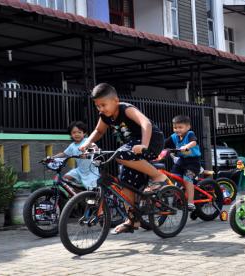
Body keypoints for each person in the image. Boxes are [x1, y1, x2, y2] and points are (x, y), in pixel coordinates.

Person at [79, 83, 166, 234]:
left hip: (151, 142)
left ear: (116, 101)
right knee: (124, 182)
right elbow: (98, 131)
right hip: (131, 149)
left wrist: (144, 145)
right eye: (97, 106)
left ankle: (159, 177)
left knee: (120, 154)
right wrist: (87, 143)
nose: (100, 109)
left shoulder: (126, 109)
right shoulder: (105, 117)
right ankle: (132, 221)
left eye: (103, 105)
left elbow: (146, 123)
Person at [164, 115, 201, 211]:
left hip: (193, 162)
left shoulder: (190, 134)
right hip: (181, 161)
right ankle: (180, 193)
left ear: (188, 127)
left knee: (188, 179)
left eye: (180, 127)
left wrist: (187, 146)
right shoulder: (174, 137)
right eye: (175, 127)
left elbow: (194, 142)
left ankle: (191, 202)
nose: (177, 130)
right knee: (173, 176)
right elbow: (164, 144)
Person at [52, 121, 99, 190]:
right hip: (79, 170)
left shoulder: (87, 141)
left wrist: (87, 152)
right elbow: (64, 154)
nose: (77, 134)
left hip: (91, 172)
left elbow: (95, 148)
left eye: (79, 132)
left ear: (84, 133)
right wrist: (52, 157)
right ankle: (74, 195)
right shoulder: (72, 146)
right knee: (65, 178)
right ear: (71, 134)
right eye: (74, 132)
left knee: (93, 192)